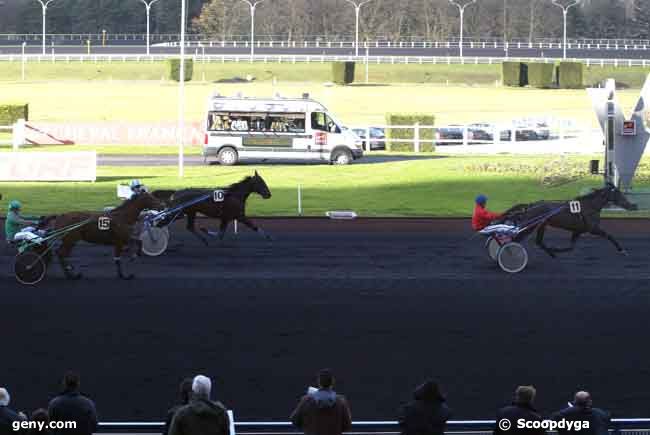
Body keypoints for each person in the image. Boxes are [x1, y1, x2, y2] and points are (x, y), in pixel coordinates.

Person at [290, 369, 352, 435]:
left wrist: (308, 427)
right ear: (332, 382)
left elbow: (295, 420)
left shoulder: (306, 400)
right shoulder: (341, 401)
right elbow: (347, 425)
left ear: (319, 382)